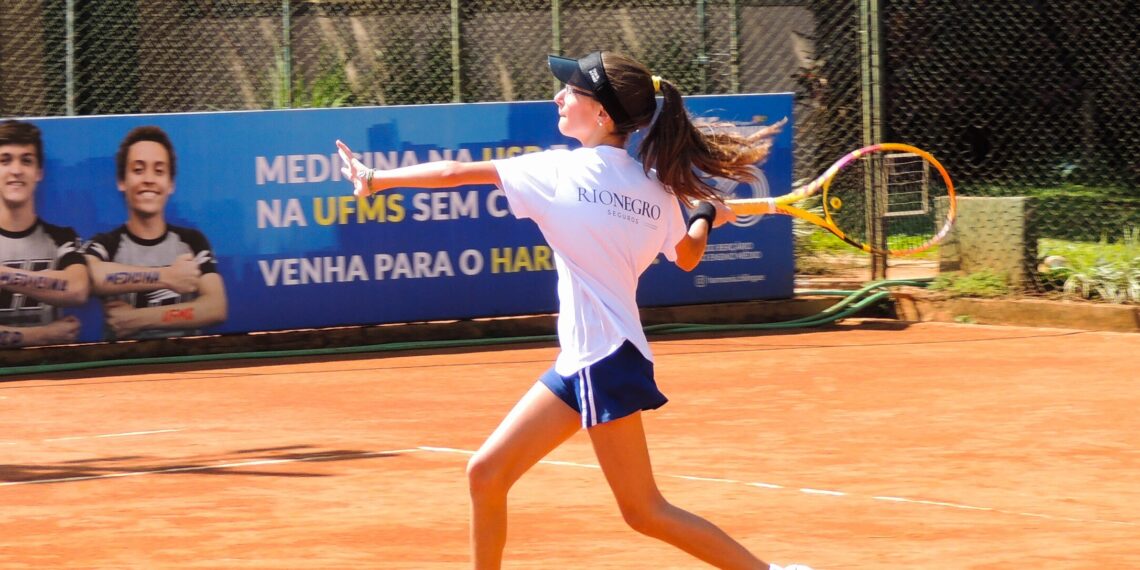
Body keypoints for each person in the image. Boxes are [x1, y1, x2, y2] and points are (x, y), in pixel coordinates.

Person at [337, 51, 809, 570]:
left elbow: (454, 173)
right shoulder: (657, 189)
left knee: (643, 510)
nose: (557, 97)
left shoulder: (557, 172)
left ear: (602, 114)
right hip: (597, 357)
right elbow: (687, 256)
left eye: (571, 93)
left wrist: (376, 178)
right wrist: (700, 214)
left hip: (599, 358)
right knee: (488, 473)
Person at [83, 125, 227, 340]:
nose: (149, 179)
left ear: (171, 184)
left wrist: (138, 319)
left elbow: (216, 307)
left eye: (159, 171)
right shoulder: (106, 244)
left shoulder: (192, 241)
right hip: (125, 365)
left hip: (186, 362)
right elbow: (88, 279)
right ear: (122, 181)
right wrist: (168, 276)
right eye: (138, 170)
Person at [0, 119, 89, 348]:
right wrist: (44, 335)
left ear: (38, 172)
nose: (16, 170)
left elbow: (78, 289)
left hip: (50, 373)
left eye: (26, 161)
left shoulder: (62, 238)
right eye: (5, 160)